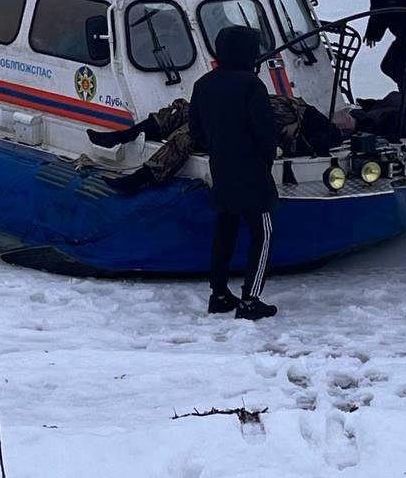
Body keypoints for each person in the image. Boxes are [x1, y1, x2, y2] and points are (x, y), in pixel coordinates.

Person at [188, 25, 280, 320]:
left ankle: (218, 294)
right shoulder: (252, 86)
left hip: (221, 168)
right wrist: (265, 160)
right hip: (252, 170)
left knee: (224, 231)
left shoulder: (203, 84)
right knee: (262, 234)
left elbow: (196, 131)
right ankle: (250, 300)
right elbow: (266, 134)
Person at [91, 94, 342, 194]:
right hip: (240, 121)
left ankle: (144, 176)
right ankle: (124, 135)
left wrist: (292, 148)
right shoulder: (280, 107)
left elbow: (332, 136)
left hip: (242, 137)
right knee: (183, 112)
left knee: (188, 132)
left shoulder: (308, 120)